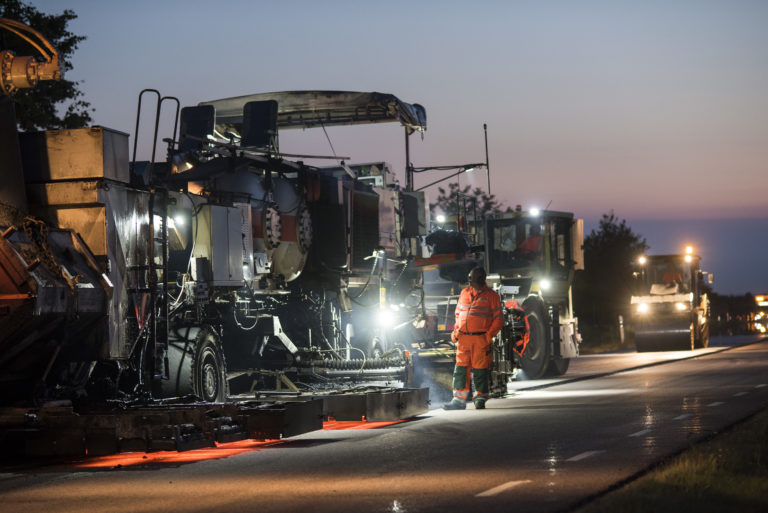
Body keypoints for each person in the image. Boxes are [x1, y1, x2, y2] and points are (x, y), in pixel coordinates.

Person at [444, 267, 504, 410]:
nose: (469, 280)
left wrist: (488, 337)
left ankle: (480, 398)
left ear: (480, 279)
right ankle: (458, 400)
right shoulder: (465, 293)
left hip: (480, 339)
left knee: (480, 370)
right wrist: (456, 333)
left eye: (472, 277)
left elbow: (498, 320)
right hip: (464, 339)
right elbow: (458, 314)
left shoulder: (492, 296)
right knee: (461, 369)